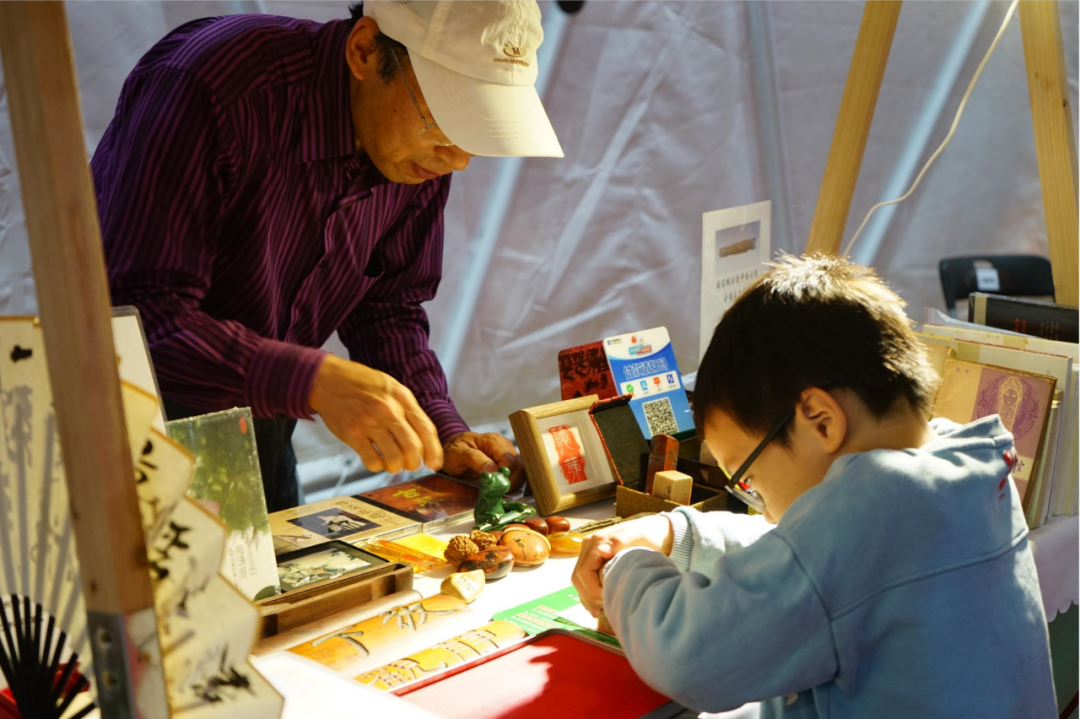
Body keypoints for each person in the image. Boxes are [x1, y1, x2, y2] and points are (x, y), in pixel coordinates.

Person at [91, 1, 562, 510]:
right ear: (364, 50)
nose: (459, 159)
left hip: (263, 425)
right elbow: (136, 318)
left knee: (275, 589)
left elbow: (387, 306)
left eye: (477, 130)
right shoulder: (213, 84)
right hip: (125, 430)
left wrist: (440, 426)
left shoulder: (416, 154)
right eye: (445, 120)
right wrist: (313, 379)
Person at [572, 255, 1056, 718]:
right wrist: (681, 535)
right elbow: (813, 561)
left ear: (821, 421)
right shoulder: (967, 468)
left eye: (749, 477)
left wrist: (625, 572)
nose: (761, 509)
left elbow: (689, 654)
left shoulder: (869, 507)